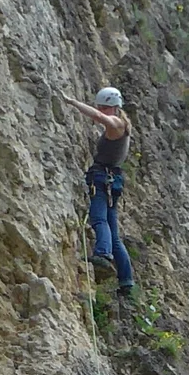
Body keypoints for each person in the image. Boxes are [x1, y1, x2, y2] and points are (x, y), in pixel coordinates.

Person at [64, 84, 135, 299]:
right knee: (113, 233)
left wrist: (73, 102)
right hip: (112, 179)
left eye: (104, 107)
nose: (101, 110)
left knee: (98, 218)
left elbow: (98, 117)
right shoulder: (122, 126)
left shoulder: (117, 124)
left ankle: (103, 254)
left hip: (103, 178)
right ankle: (126, 280)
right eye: (100, 107)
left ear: (113, 107)